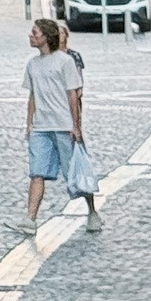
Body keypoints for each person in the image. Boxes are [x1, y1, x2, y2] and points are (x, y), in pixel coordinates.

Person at [23, 14, 100, 234]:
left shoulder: (65, 62)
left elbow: (73, 95)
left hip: (63, 125)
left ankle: (92, 211)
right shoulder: (32, 64)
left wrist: (76, 125)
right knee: (36, 172)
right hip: (41, 127)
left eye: (35, 33)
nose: (31, 36)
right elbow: (32, 95)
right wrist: (29, 123)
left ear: (46, 37)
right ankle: (30, 219)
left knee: (74, 173)